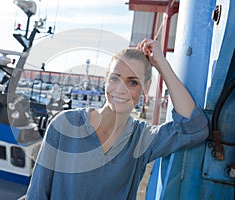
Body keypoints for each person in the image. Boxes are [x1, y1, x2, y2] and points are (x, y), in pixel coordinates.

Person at [25, 38, 209, 199]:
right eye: (115, 78)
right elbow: (37, 193)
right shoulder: (64, 124)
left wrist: (161, 64)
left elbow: (194, 127)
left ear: (146, 87)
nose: (120, 89)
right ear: (105, 80)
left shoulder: (142, 139)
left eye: (133, 82)